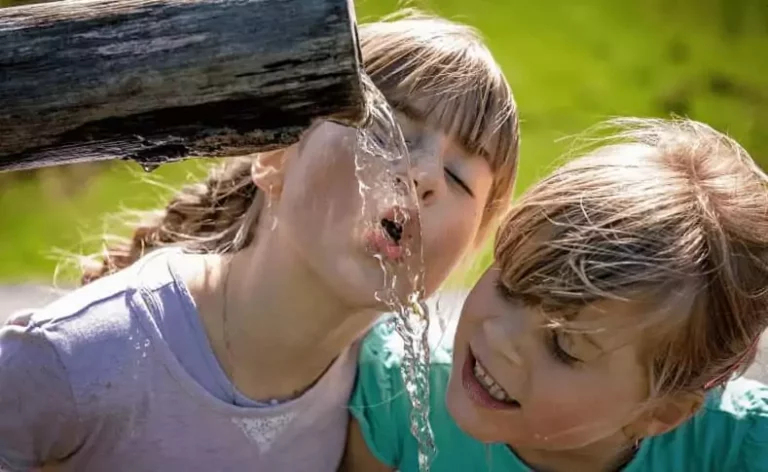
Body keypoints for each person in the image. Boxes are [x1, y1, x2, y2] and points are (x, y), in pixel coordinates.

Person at [0, 12, 520, 472]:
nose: (423, 174)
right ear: (275, 157)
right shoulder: (82, 356)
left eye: (457, 177)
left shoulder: (388, 398)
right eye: (387, 133)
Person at [345, 118, 768, 472]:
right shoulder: (398, 393)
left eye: (564, 344)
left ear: (659, 413)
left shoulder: (740, 451)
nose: (501, 339)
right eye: (511, 285)